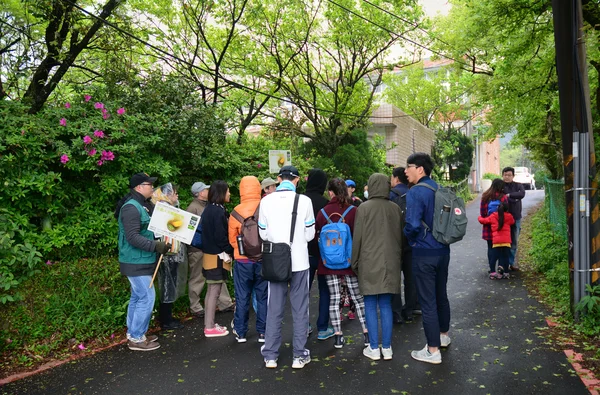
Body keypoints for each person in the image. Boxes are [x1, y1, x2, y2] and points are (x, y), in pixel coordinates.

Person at [258, 165, 315, 369]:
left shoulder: (266, 201)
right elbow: (309, 235)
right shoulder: (305, 201)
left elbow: (263, 234)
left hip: (276, 262)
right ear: (297, 180)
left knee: (274, 308)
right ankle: (299, 355)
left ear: (279, 179)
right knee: (300, 309)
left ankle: (271, 355)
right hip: (299, 261)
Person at [404, 153, 451, 365]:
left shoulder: (416, 192)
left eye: (409, 167)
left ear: (420, 169)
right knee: (441, 295)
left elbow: (413, 225)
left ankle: (432, 351)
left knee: (427, 301)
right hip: (443, 250)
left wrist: (409, 237)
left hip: (424, 252)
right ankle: (443, 336)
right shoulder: (439, 189)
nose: (406, 171)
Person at [117, 172, 170, 351]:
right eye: (150, 185)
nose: (153, 189)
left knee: (137, 297)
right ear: (139, 187)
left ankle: (134, 334)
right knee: (147, 297)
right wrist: (155, 246)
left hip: (141, 260)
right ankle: (137, 338)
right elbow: (132, 237)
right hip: (135, 261)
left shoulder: (143, 205)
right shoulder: (131, 207)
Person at [351, 173, 402, 361]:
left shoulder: (363, 209)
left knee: (370, 305)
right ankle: (387, 348)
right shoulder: (395, 208)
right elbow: (399, 237)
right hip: (390, 262)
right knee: (386, 304)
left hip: (368, 261)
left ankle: (373, 348)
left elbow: (358, 238)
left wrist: (354, 261)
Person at [316, 178, 368, 349]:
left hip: (328, 263)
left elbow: (317, 238)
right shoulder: (353, 211)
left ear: (330, 192)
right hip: (349, 262)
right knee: (358, 298)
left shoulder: (322, 212)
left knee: (334, 298)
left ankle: (338, 336)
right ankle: (366, 333)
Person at [228, 176, 268, 343]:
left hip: (243, 261)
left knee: (242, 295)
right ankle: (263, 332)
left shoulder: (236, 212)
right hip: (263, 259)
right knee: (263, 296)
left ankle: (241, 331)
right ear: (258, 188)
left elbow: (232, 239)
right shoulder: (265, 207)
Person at [186, 182, 234, 319]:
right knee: (198, 277)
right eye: (206, 190)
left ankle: (225, 303)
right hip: (197, 248)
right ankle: (195, 307)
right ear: (200, 193)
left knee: (218, 275)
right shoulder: (193, 208)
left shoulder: (210, 206)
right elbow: (189, 231)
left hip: (210, 247)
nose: (209, 191)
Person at [200, 180, 233, 338]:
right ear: (221, 193)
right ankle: (209, 326)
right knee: (214, 291)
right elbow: (220, 236)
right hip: (216, 256)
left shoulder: (209, 209)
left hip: (209, 255)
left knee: (212, 290)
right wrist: (231, 250)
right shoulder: (217, 211)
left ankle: (210, 324)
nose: (229, 194)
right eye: (227, 191)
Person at [151, 183, 186, 330]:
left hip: (171, 252)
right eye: (174, 193)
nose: (177, 196)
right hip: (167, 253)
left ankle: (167, 316)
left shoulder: (164, 207)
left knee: (169, 284)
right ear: (167, 194)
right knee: (167, 285)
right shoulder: (163, 209)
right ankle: (166, 320)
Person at [303, 169, 332, 340]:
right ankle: (322, 327)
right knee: (324, 290)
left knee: (302, 291)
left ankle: (304, 325)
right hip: (322, 254)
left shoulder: (300, 201)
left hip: (303, 253)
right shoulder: (325, 204)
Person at [389, 166, 418, 324]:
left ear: (396, 179)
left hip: (394, 243)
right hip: (411, 241)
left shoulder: (390, 196)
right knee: (410, 278)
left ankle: (396, 312)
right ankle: (409, 311)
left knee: (394, 279)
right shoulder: (413, 194)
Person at [479, 179, 509, 277]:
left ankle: (492, 269)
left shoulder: (485, 196)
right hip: (500, 227)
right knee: (500, 249)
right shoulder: (503, 197)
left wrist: (487, 218)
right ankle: (501, 269)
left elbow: (482, 213)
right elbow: (506, 212)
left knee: (490, 247)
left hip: (488, 226)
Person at [479, 201, 515, 279]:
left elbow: (484, 221)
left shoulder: (493, 216)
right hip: (506, 242)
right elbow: (513, 222)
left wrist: (479, 217)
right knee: (506, 258)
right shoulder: (509, 216)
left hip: (496, 242)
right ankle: (506, 273)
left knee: (494, 258)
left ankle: (493, 272)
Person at [502, 167, 526, 270]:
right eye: (505, 175)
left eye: (509, 175)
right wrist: (514, 198)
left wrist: (509, 195)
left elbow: (522, 194)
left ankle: (510, 263)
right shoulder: (500, 186)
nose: (507, 177)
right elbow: (501, 197)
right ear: (502, 175)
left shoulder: (518, 185)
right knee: (502, 241)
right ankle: (503, 263)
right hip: (503, 218)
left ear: (513, 176)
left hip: (516, 217)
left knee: (514, 240)